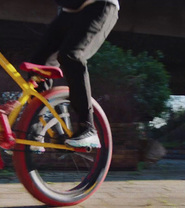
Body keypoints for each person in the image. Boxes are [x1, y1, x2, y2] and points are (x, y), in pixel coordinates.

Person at [30, 0, 119, 148]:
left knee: (70, 55)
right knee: (37, 64)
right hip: (70, 10)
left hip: (100, 5)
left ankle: (88, 128)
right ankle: (40, 130)